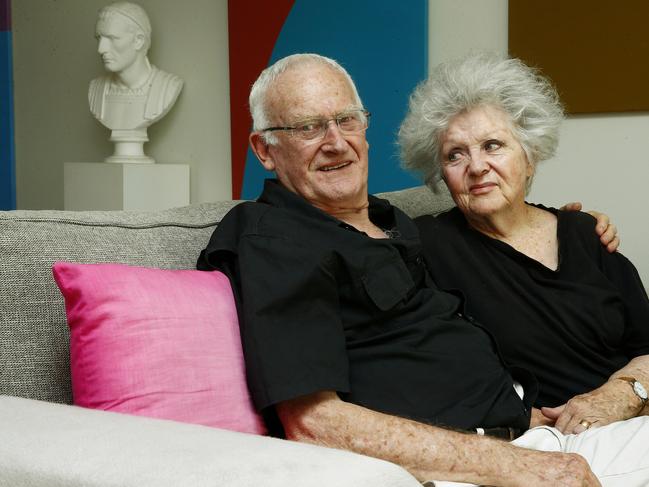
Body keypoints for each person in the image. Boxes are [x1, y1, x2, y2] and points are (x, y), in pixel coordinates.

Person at [197, 53, 649, 486]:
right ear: (265, 150)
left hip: (539, 433)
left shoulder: (394, 225)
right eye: (307, 127)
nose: (335, 141)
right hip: (496, 461)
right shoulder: (277, 237)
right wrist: (525, 465)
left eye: (346, 120)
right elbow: (314, 421)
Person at [399, 52, 649, 437]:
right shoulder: (425, 246)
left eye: (493, 145)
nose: (477, 166)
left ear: (530, 157)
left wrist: (623, 394)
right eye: (455, 154)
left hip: (632, 422)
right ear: (440, 175)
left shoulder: (586, 232)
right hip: (546, 442)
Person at [89, 2, 183, 162]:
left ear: (138, 40)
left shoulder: (167, 87)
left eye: (112, 38)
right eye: (99, 38)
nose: (101, 48)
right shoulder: (96, 90)